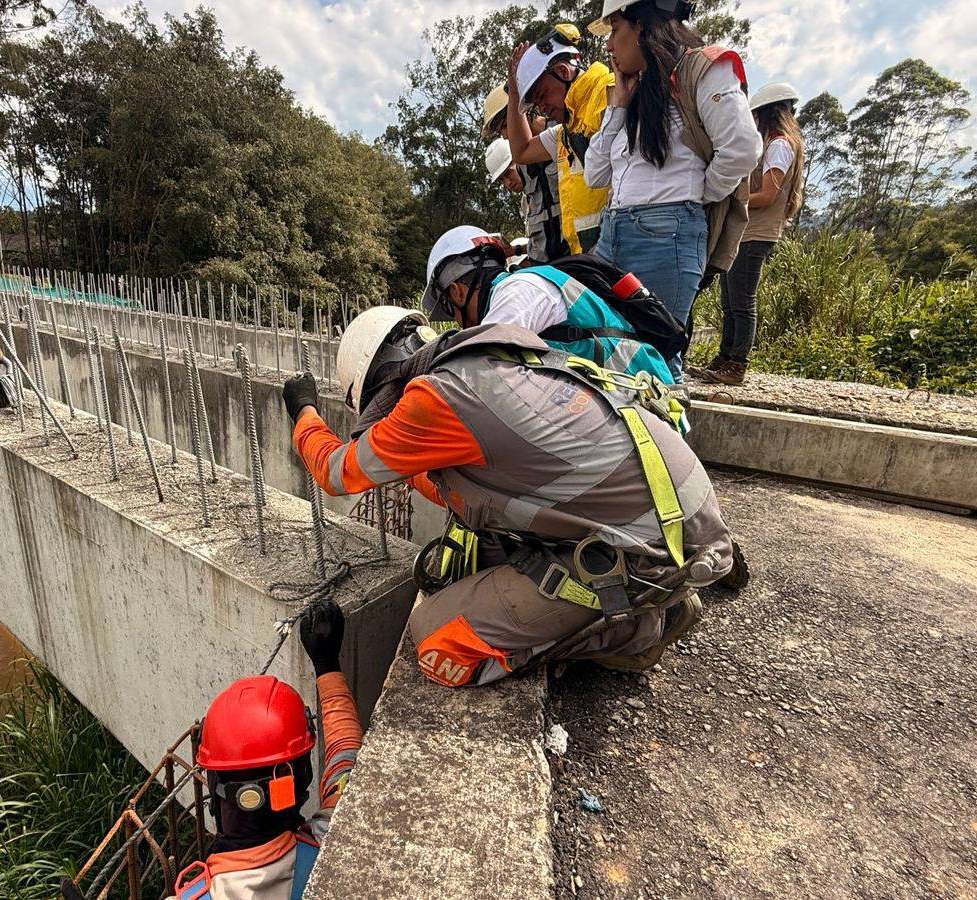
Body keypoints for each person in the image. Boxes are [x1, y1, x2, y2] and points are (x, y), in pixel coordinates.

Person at [282, 306, 734, 688]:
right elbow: (473, 489)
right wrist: (405, 475)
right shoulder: (488, 363)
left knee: (437, 644)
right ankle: (638, 597)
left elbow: (337, 473)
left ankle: (639, 627)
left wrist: (303, 410)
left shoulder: (435, 399)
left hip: (653, 549)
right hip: (676, 514)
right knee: (486, 546)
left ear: (382, 382)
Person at [584, 0, 762, 382]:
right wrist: (617, 106)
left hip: (666, 233)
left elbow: (743, 147)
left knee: (657, 361)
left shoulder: (702, 68)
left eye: (615, 30)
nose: (610, 46)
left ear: (642, 26)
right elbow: (595, 175)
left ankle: (666, 441)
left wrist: (699, 195)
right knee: (608, 354)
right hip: (613, 231)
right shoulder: (634, 93)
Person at [166, 602, 361, 900]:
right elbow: (345, 757)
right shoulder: (333, 841)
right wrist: (326, 664)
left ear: (215, 791)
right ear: (302, 778)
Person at [420, 224, 679, 396]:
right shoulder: (525, 286)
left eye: (452, 312)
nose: (460, 323)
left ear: (457, 292)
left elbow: (479, 374)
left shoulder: (518, 290)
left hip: (649, 412)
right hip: (631, 405)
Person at [697, 82, 805, 385]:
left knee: (742, 301)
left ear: (765, 115)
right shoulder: (775, 143)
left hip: (757, 233)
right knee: (730, 300)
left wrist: (733, 199)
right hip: (749, 231)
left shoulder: (779, 145)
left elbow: (768, 195)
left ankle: (737, 363)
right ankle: (725, 357)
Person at [505, 24, 615, 255]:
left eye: (542, 95)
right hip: (591, 255)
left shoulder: (607, 95)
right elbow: (522, 151)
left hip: (616, 248)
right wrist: (514, 93)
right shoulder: (566, 131)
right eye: (535, 103)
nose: (542, 108)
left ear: (564, 73)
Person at [483, 85, 567, 263]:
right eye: (501, 131)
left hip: (581, 258)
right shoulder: (523, 166)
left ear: (526, 111)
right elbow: (542, 231)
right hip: (547, 270)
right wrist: (514, 250)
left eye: (507, 125)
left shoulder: (565, 133)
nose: (506, 136)